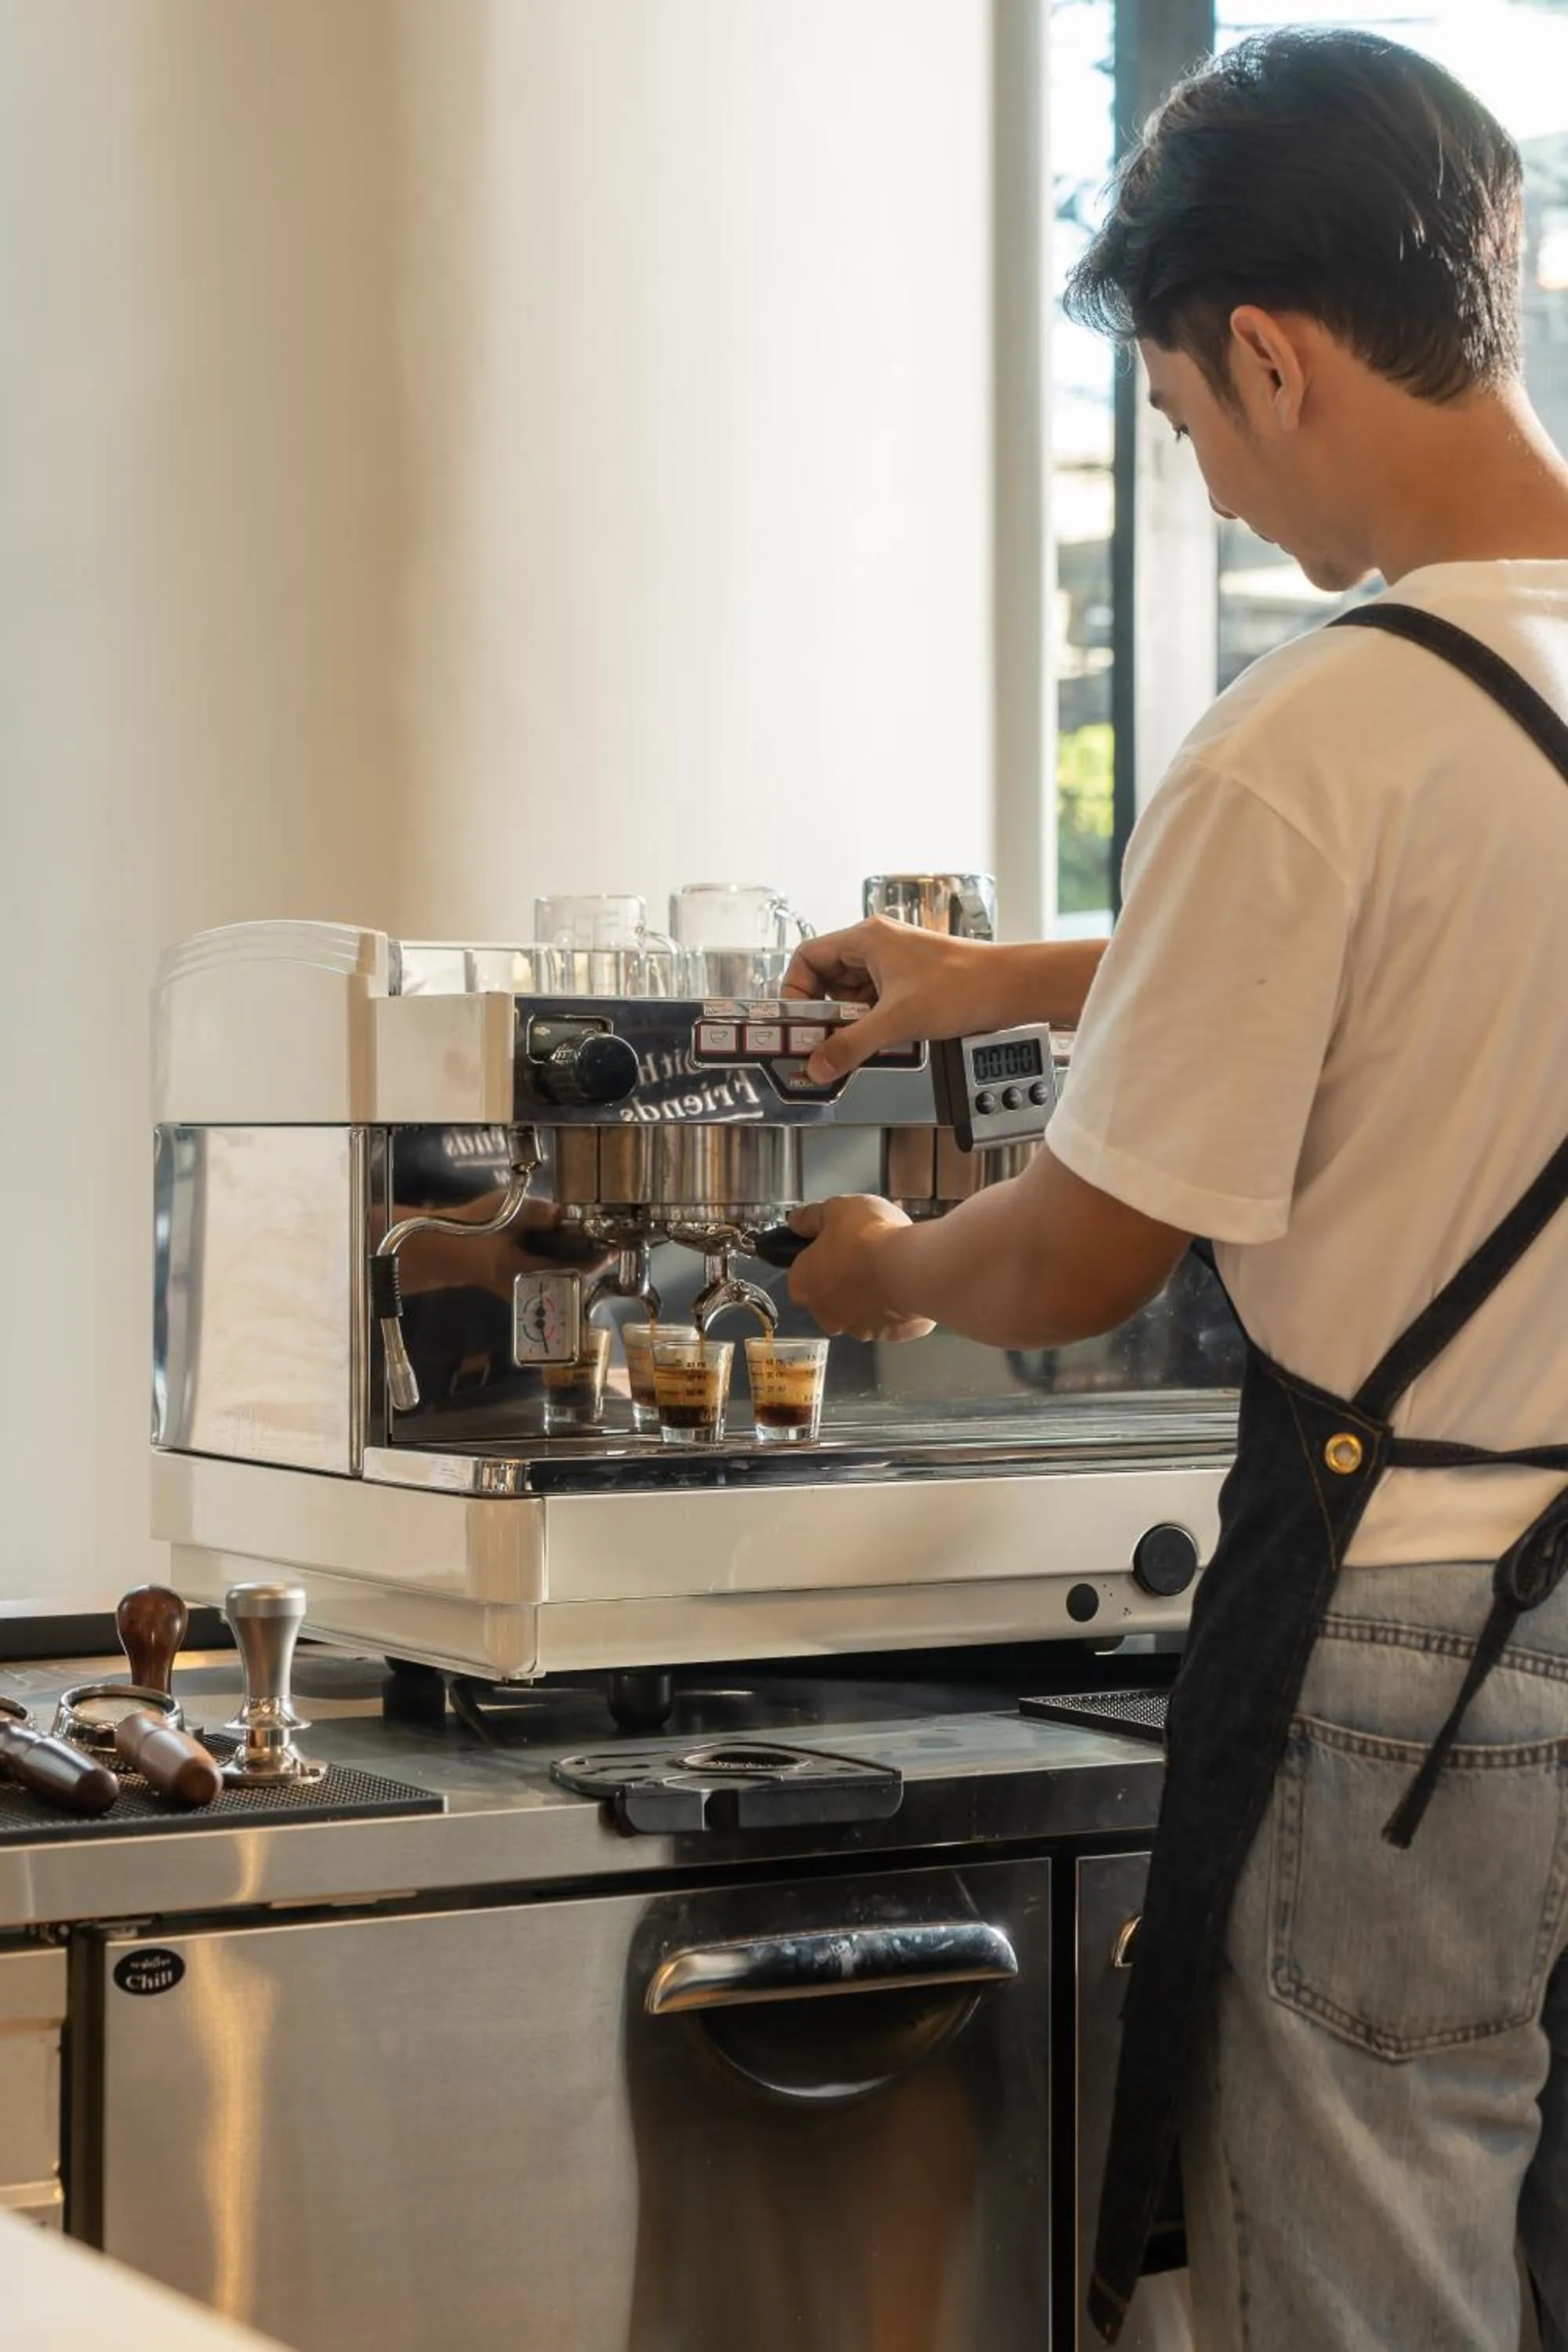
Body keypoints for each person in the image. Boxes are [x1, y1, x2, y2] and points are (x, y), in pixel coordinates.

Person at [780, 31, 1568, 2352]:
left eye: (1184, 418)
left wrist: (883, 1274)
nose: (1206, 487)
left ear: (1272, 355)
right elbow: (1451, 945)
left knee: (1373, 2292)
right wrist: (1002, 977)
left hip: (1418, 1649)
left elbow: (1076, 1254)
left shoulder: (1312, 734)